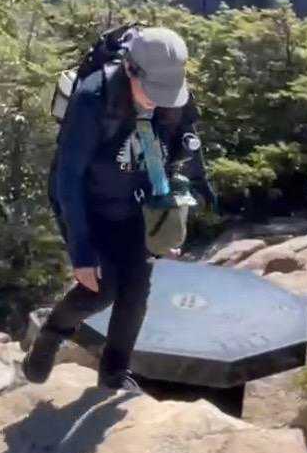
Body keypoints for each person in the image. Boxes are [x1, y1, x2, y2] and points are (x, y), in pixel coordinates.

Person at [23, 25, 209, 391]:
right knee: (101, 289)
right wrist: (82, 253)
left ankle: (114, 374)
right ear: (129, 68)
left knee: (135, 290)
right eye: (151, 91)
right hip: (87, 202)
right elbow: (68, 180)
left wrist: (171, 223)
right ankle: (50, 336)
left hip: (136, 204)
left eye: (165, 94)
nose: (157, 101)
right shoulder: (94, 98)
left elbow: (185, 162)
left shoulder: (175, 99)